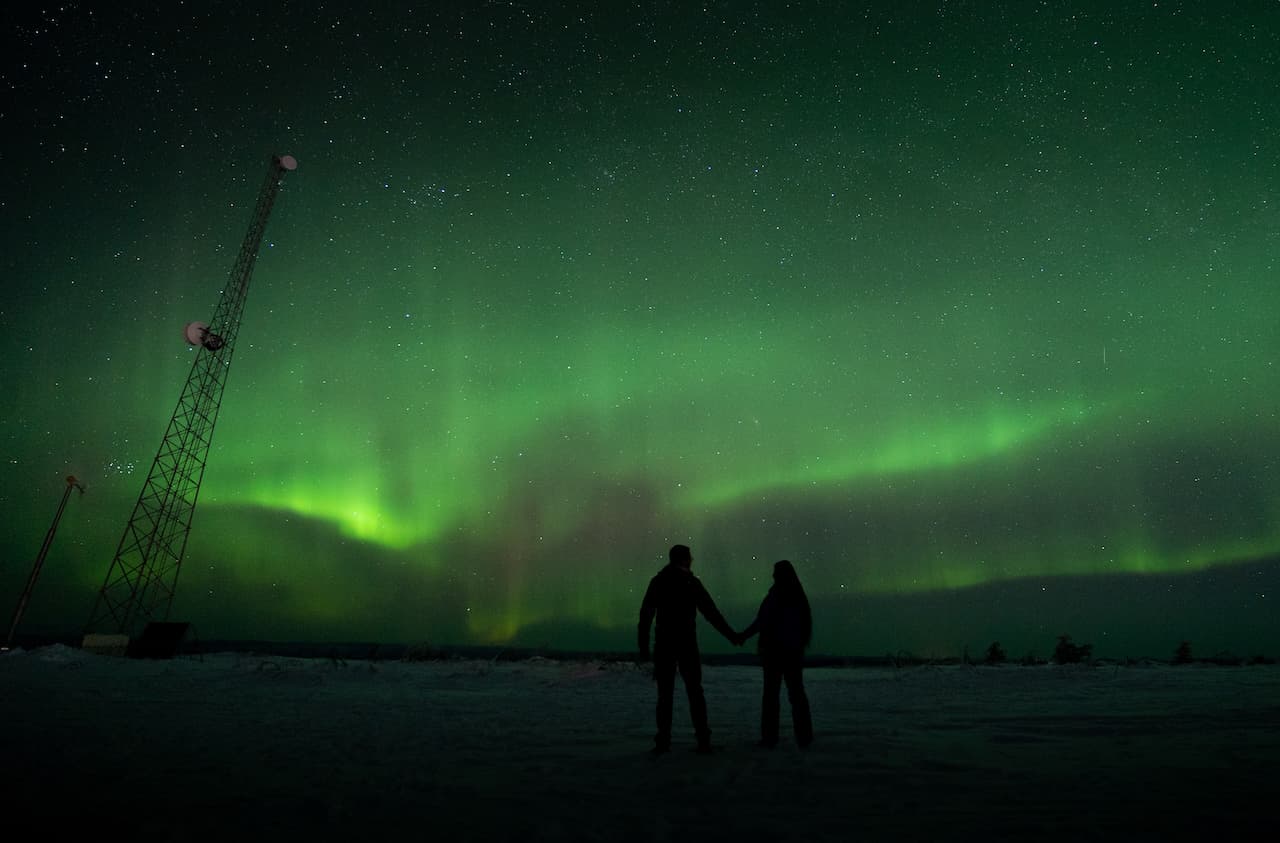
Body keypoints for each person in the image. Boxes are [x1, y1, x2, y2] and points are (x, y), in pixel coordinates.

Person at [638, 544, 739, 754]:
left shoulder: (659, 581)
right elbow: (711, 612)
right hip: (686, 644)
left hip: (664, 644)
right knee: (694, 692)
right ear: (685, 559)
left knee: (665, 695)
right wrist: (731, 635)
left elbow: (646, 614)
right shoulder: (691, 582)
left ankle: (663, 742)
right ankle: (703, 740)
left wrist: (644, 646)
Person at [738, 559, 813, 748]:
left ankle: (770, 738)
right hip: (792, 652)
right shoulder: (798, 596)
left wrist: (743, 636)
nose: (772, 576)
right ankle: (804, 737)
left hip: (775, 653)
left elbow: (762, 621)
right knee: (796, 694)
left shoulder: (777, 595)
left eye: (775, 572)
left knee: (772, 696)